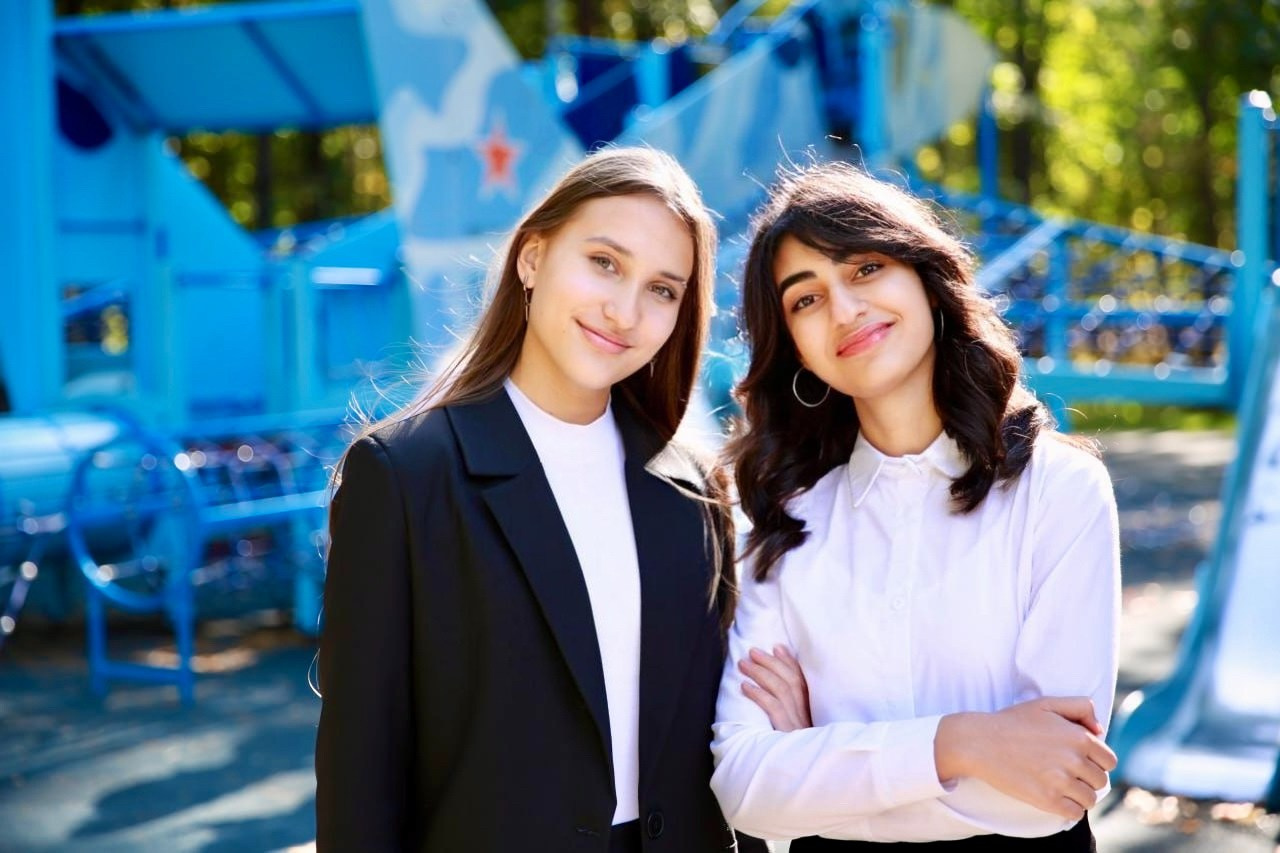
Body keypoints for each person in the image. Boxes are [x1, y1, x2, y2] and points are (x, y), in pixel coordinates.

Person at [316, 147, 759, 852]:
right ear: (532, 257)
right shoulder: (403, 476)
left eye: (663, 289)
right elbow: (360, 778)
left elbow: (716, 747)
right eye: (605, 262)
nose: (625, 310)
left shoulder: (692, 490)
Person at [709, 162, 1121, 850]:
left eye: (865, 268)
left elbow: (1052, 791)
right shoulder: (780, 519)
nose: (844, 309)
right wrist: (967, 742)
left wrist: (822, 753)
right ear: (795, 348)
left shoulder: (1060, 491)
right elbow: (746, 787)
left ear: (924, 277)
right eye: (805, 299)